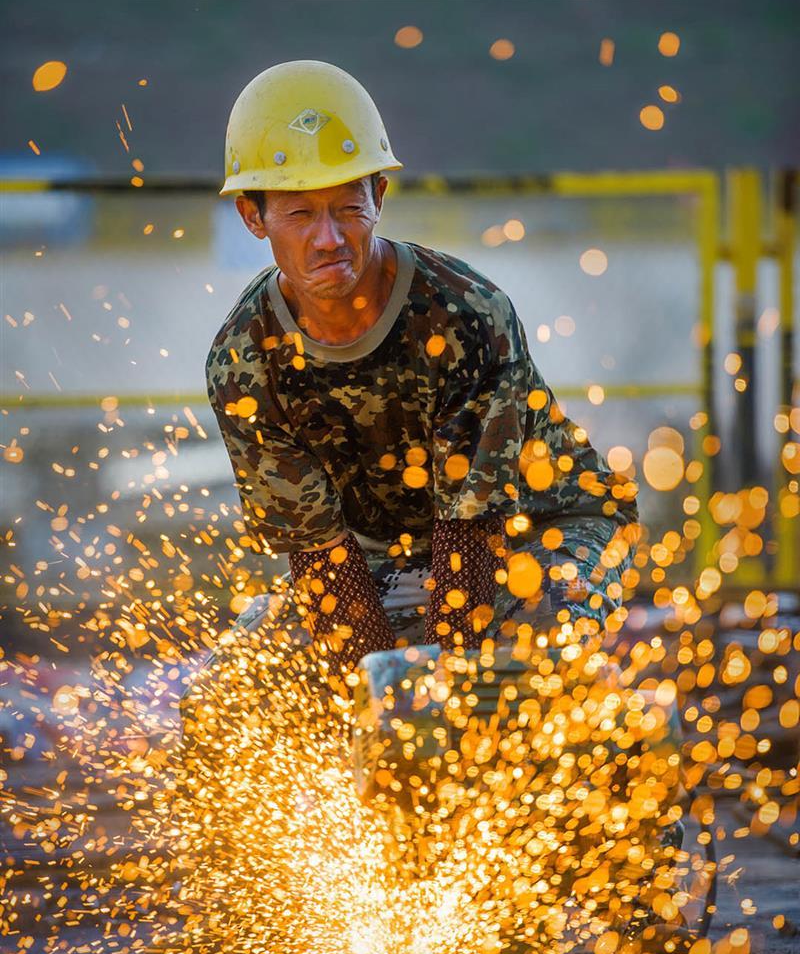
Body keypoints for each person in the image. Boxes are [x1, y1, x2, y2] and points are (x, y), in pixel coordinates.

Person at [196, 59, 639, 689]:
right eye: (299, 215)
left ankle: (600, 748)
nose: (329, 239)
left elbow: (472, 532)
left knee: (528, 659)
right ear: (253, 216)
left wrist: (428, 699)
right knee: (234, 689)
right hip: (383, 559)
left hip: (535, 530)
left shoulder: (463, 317)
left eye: (348, 208)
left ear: (378, 197)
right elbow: (320, 560)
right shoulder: (245, 361)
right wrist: (372, 699)